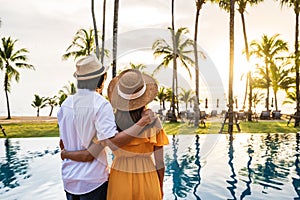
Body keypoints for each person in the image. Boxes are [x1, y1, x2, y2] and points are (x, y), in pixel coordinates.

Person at [58, 55, 155, 200]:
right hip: (93, 182)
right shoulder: (100, 105)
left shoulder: (65, 105)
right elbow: (113, 143)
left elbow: (62, 144)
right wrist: (142, 122)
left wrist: (66, 154)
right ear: (102, 79)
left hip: (69, 180)